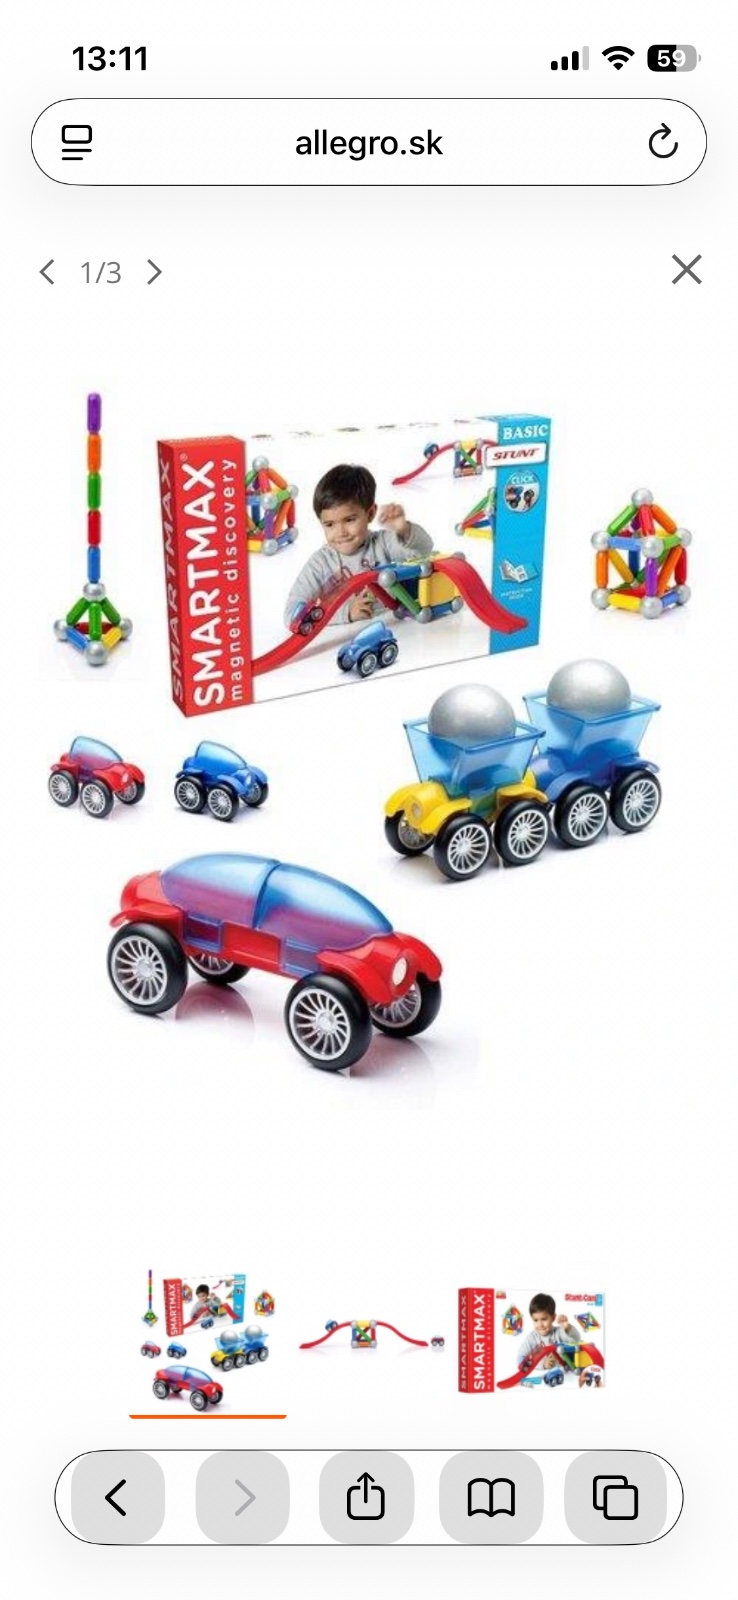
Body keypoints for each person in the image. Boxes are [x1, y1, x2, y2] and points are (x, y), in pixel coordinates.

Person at [283, 462, 433, 628]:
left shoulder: (383, 542)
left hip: (398, 628)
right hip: (344, 636)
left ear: (370, 513)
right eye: (329, 524)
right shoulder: (320, 563)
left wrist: (403, 529)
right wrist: (346, 613)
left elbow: (423, 551)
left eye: (349, 520)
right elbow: (292, 614)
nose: (341, 532)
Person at [517, 1293, 581, 1370]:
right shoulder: (531, 1338)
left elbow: (576, 1340)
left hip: (564, 1373)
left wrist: (567, 1327)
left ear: (553, 1318)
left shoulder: (559, 1332)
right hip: (540, 1374)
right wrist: (542, 1365)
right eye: (536, 1320)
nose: (540, 1324)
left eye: (544, 1319)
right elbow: (520, 1359)